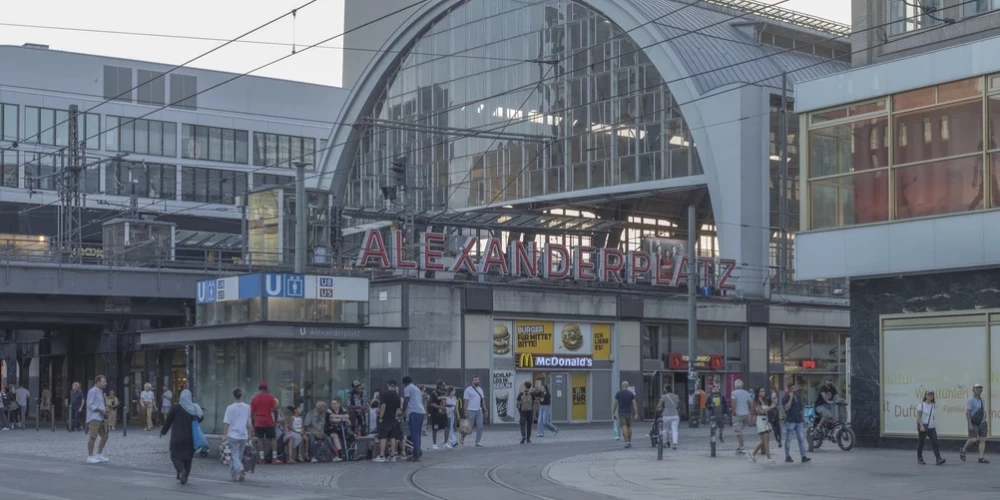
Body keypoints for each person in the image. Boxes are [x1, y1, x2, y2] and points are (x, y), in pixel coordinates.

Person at [160, 390, 204, 485]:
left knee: (175, 456)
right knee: (188, 458)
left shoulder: (176, 407)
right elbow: (200, 418)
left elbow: (168, 421)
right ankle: (185, 475)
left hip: (177, 437)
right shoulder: (194, 408)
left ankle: (180, 471)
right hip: (190, 438)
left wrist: (163, 432)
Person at [223, 388, 253, 481]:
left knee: (235, 455)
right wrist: (249, 435)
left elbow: (227, 423)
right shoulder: (247, 407)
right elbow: (249, 423)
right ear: (241, 395)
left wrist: (224, 435)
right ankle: (234, 473)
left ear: (233, 395)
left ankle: (240, 469)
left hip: (232, 435)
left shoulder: (230, 408)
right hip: (243, 435)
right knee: (239, 455)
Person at [250, 382, 281, 464]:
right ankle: (274, 458)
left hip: (258, 421)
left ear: (259, 389)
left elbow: (252, 412)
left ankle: (262, 458)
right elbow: (275, 410)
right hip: (268, 420)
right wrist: (275, 420)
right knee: (273, 439)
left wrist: (253, 423)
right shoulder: (271, 398)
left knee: (260, 439)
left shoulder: (254, 398)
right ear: (266, 389)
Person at [374, 380, 403, 463]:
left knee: (382, 437)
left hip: (385, 419)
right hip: (393, 419)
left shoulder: (385, 394)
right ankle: (392, 455)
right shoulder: (397, 396)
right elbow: (398, 410)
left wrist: (380, 417)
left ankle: (382, 456)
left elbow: (383, 406)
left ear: (388, 385)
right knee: (392, 437)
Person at [782, 382, 811, 464]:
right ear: (789, 389)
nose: (794, 389)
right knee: (788, 439)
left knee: (801, 439)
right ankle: (787, 456)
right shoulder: (785, 397)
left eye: (795, 388)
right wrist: (790, 398)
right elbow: (786, 408)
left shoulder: (798, 396)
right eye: (792, 388)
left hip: (798, 421)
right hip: (790, 420)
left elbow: (801, 408)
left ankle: (803, 456)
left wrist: (803, 419)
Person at [960, 383, 989, 464]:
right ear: (973, 390)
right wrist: (969, 424)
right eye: (977, 388)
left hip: (982, 422)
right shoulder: (971, 400)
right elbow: (968, 412)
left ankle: (981, 458)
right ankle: (963, 450)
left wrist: (985, 422)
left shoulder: (982, 400)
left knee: (983, 439)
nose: (979, 390)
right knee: (973, 439)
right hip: (974, 422)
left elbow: (983, 412)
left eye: (980, 389)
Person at [86, 375, 110, 464]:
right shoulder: (92, 391)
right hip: (94, 417)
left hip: (101, 417)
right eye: (103, 382)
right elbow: (89, 404)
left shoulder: (101, 392)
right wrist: (100, 410)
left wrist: (105, 409)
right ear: (98, 382)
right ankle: (90, 456)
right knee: (93, 436)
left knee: (105, 436)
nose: (105, 383)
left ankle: (99, 454)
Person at [916, 389, 945, 466]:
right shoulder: (921, 405)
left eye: (932, 395)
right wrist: (921, 426)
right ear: (925, 396)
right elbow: (918, 417)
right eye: (929, 395)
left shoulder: (933, 405)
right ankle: (920, 458)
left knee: (935, 442)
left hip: (931, 427)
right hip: (923, 426)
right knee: (921, 443)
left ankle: (938, 458)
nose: (930, 396)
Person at [402, 376, 426, 461]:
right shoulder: (417, 389)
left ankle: (416, 455)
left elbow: (406, 400)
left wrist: (403, 412)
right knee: (418, 433)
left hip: (414, 413)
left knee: (414, 433)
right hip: (421, 412)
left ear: (404, 383)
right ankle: (418, 451)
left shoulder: (407, 388)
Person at [748, 387, 774, 464]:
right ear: (758, 393)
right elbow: (761, 411)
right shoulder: (756, 401)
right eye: (761, 391)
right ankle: (768, 458)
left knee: (764, 440)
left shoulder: (764, 400)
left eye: (764, 391)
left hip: (765, 419)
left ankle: (753, 454)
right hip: (760, 420)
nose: (763, 392)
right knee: (766, 439)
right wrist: (770, 407)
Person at [463, 376, 488, 447]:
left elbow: (482, 401)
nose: (477, 381)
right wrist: (465, 412)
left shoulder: (480, 390)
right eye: (475, 380)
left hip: (479, 410)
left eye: (478, 380)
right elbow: (466, 402)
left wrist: (485, 410)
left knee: (480, 426)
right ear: (472, 381)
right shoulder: (468, 390)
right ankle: (462, 436)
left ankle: (478, 441)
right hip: (470, 410)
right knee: (469, 427)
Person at [612, 381, 638, 448]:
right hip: (629, 412)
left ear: (622, 386)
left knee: (624, 426)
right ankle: (629, 441)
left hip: (621, 412)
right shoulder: (631, 394)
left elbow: (615, 404)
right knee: (629, 426)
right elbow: (634, 404)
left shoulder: (618, 393)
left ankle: (627, 442)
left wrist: (613, 412)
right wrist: (636, 413)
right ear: (627, 386)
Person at [730, 379, 752, 455]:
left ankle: (741, 447)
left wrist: (733, 412)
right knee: (740, 430)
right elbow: (751, 402)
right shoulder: (747, 393)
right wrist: (750, 412)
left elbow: (733, 403)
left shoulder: (734, 393)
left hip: (738, 414)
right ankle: (740, 446)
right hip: (745, 414)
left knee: (738, 432)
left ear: (735, 385)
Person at [428, 380, 452, 449]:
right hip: (436, 414)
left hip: (444, 413)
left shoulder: (444, 393)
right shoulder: (434, 393)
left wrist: (448, 405)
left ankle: (445, 443)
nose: (444, 386)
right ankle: (434, 444)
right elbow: (431, 403)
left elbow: (444, 402)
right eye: (443, 385)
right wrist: (439, 407)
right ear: (439, 385)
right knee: (435, 429)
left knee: (447, 427)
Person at [657, 385, 681, 450]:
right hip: (675, 415)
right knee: (674, 430)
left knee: (665, 429)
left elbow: (659, 405)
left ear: (666, 390)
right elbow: (678, 404)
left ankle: (664, 442)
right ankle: (675, 443)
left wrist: (659, 408)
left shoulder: (664, 396)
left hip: (666, 415)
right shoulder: (676, 396)